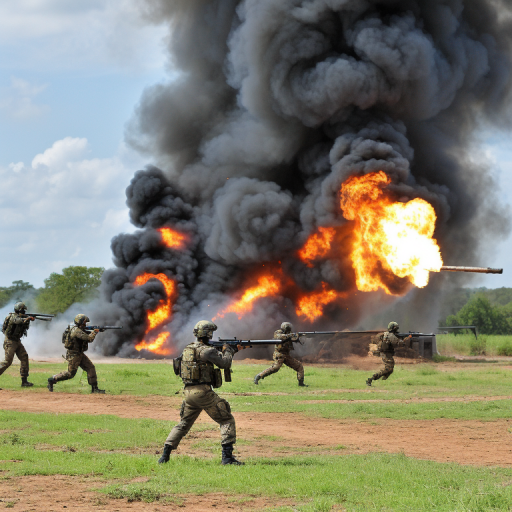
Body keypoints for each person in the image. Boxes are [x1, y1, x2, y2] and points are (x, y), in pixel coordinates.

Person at [158, 320, 243, 465]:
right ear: (209, 334)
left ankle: (164, 456)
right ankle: (227, 458)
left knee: (183, 423)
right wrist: (230, 350)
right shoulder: (207, 351)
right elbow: (225, 363)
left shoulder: (188, 349)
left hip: (188, 393)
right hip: (203, 393)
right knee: (226, 419)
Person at [47, 314, 105, 394]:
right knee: (70, 374)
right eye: (84, 323)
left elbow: (85, 333)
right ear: (80, 322)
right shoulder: (76, 331)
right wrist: (95, 332)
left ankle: (94, 389)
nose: (85, 324)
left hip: (79, 353)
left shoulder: (76, 328)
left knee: (90, 368)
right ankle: (52, 379)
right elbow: (89, 338)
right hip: (74, 355)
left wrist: (97, 330)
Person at [253, 321, 306, 387]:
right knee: (275, 368)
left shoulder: (290, 333)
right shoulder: (278, 332)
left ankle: (301, 383)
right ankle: (258, 376)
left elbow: (294, 338)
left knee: (299, 366)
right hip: (279, 354)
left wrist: (298, 337)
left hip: (286, 355)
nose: (288, 330)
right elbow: (280, 337)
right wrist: (290, 335)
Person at [0, 302, 35, 387]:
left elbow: (24, 325)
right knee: (7, 362)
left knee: (24, 357)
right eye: (23, 310)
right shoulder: (12, 316)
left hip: (17, 341)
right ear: (19, 310)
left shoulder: (21, 317)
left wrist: (28, 319)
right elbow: (18, 321)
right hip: (10, 341)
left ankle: (24, 381)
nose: (24, 312)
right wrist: (28, 318)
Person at [366, 321, 411, 386]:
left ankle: (383, 379)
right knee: (388, 368)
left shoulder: (387, 334)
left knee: (390, 369)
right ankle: (372, 378)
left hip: (386, 353)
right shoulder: (391, 335)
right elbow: (400, 343)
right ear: (393, 328)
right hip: (386, 354)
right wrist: (407, 339)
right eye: (396, 328)